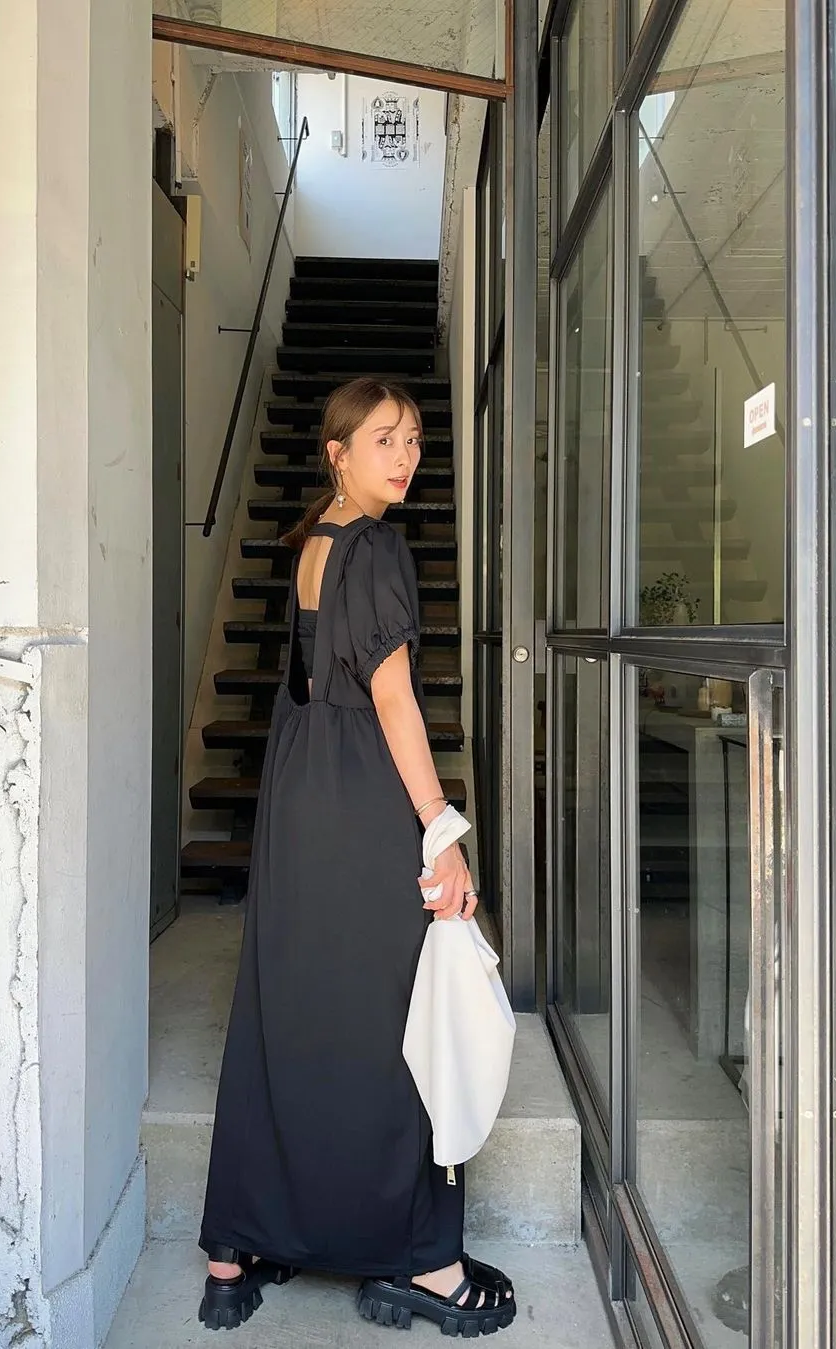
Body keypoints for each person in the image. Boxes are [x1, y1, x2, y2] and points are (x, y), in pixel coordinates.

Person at [197, 378, 517, 1337]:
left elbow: (311, 688)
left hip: (298, 800)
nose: (406, 456)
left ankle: (233, 1251)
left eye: (413, 439)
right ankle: (424, 1261)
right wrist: (440, 825)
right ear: (336, 452)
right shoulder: (375, 548)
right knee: (393, 1019)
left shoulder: (315, 542)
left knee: (285, 1010)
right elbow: (392, 698)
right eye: (385, 439)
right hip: (359, 798)